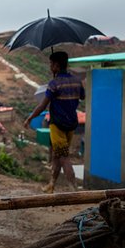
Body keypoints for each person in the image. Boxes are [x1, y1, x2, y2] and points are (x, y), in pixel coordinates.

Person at [23, 51, 85, 194]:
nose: (50, 66)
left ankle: (73, 190)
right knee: (57, 156)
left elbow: (42, 106)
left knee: (63, 157)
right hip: (71, 125)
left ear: (56, 65)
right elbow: (82, 96)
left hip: (57, 125)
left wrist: (30, 118)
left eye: (51, 64)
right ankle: (51, 185)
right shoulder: (76, 81)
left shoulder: (54, 84)